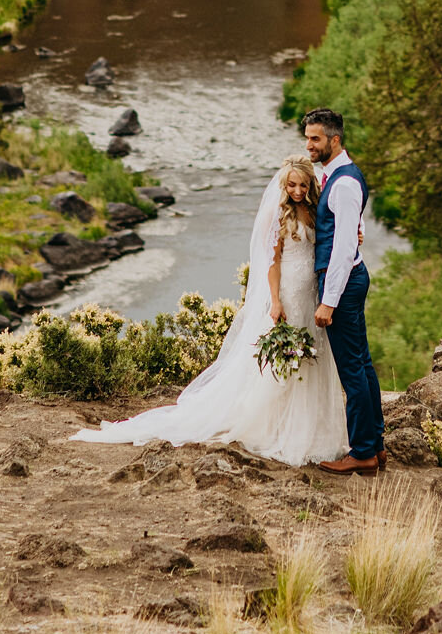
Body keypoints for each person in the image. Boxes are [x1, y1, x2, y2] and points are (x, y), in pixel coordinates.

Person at [68, 157, 348, 466]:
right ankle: (277, 426)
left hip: (311, 291)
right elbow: (272, 261)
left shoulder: (314, 210)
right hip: (288, 292)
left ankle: (312, 429)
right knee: (283, 362)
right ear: (284, 185)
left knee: (312, 358)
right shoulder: (276, 213)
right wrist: (275, 300)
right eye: (292, 185)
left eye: (302, 185)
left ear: (310, 186)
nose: (296, 190)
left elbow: (333, 238)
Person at [301, 107, 386, 477]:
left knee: (352, 370)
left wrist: (328, 301)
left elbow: (342, 249)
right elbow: (352, 226)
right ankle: (375, 444)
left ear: (335, 140)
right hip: (350, 280)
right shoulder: (337, 176)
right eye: (307, 138)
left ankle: (363, 452)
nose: (309, 145)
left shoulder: (345, 182)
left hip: (344, 284)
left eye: (315, 139)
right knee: (363, 365)